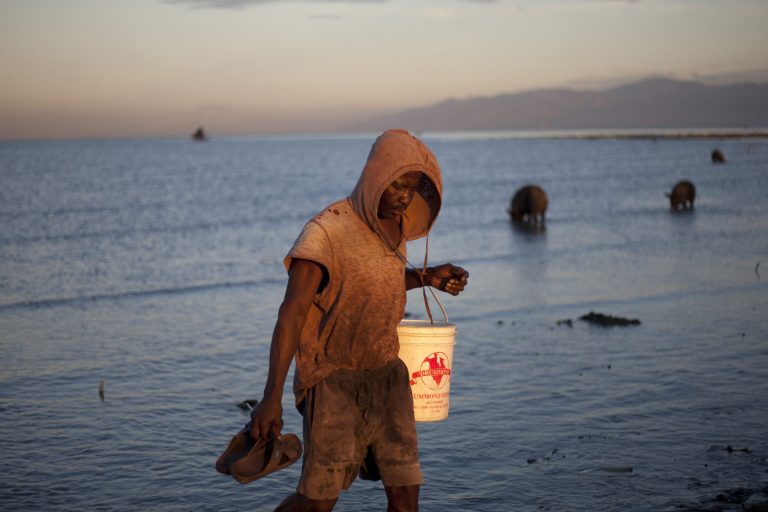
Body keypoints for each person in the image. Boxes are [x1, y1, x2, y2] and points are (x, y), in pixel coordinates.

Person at [249, 129, 469, 512]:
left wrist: (427, 276)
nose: (405, 197)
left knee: (406, 497)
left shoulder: (395, 227)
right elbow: (292, 314)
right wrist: (272, 396)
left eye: (412, 188)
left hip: (389, 376)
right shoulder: (325, 233)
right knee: (318, 502)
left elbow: (372, 283)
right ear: (374, 177)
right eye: (398, 185)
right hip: (334, 382)